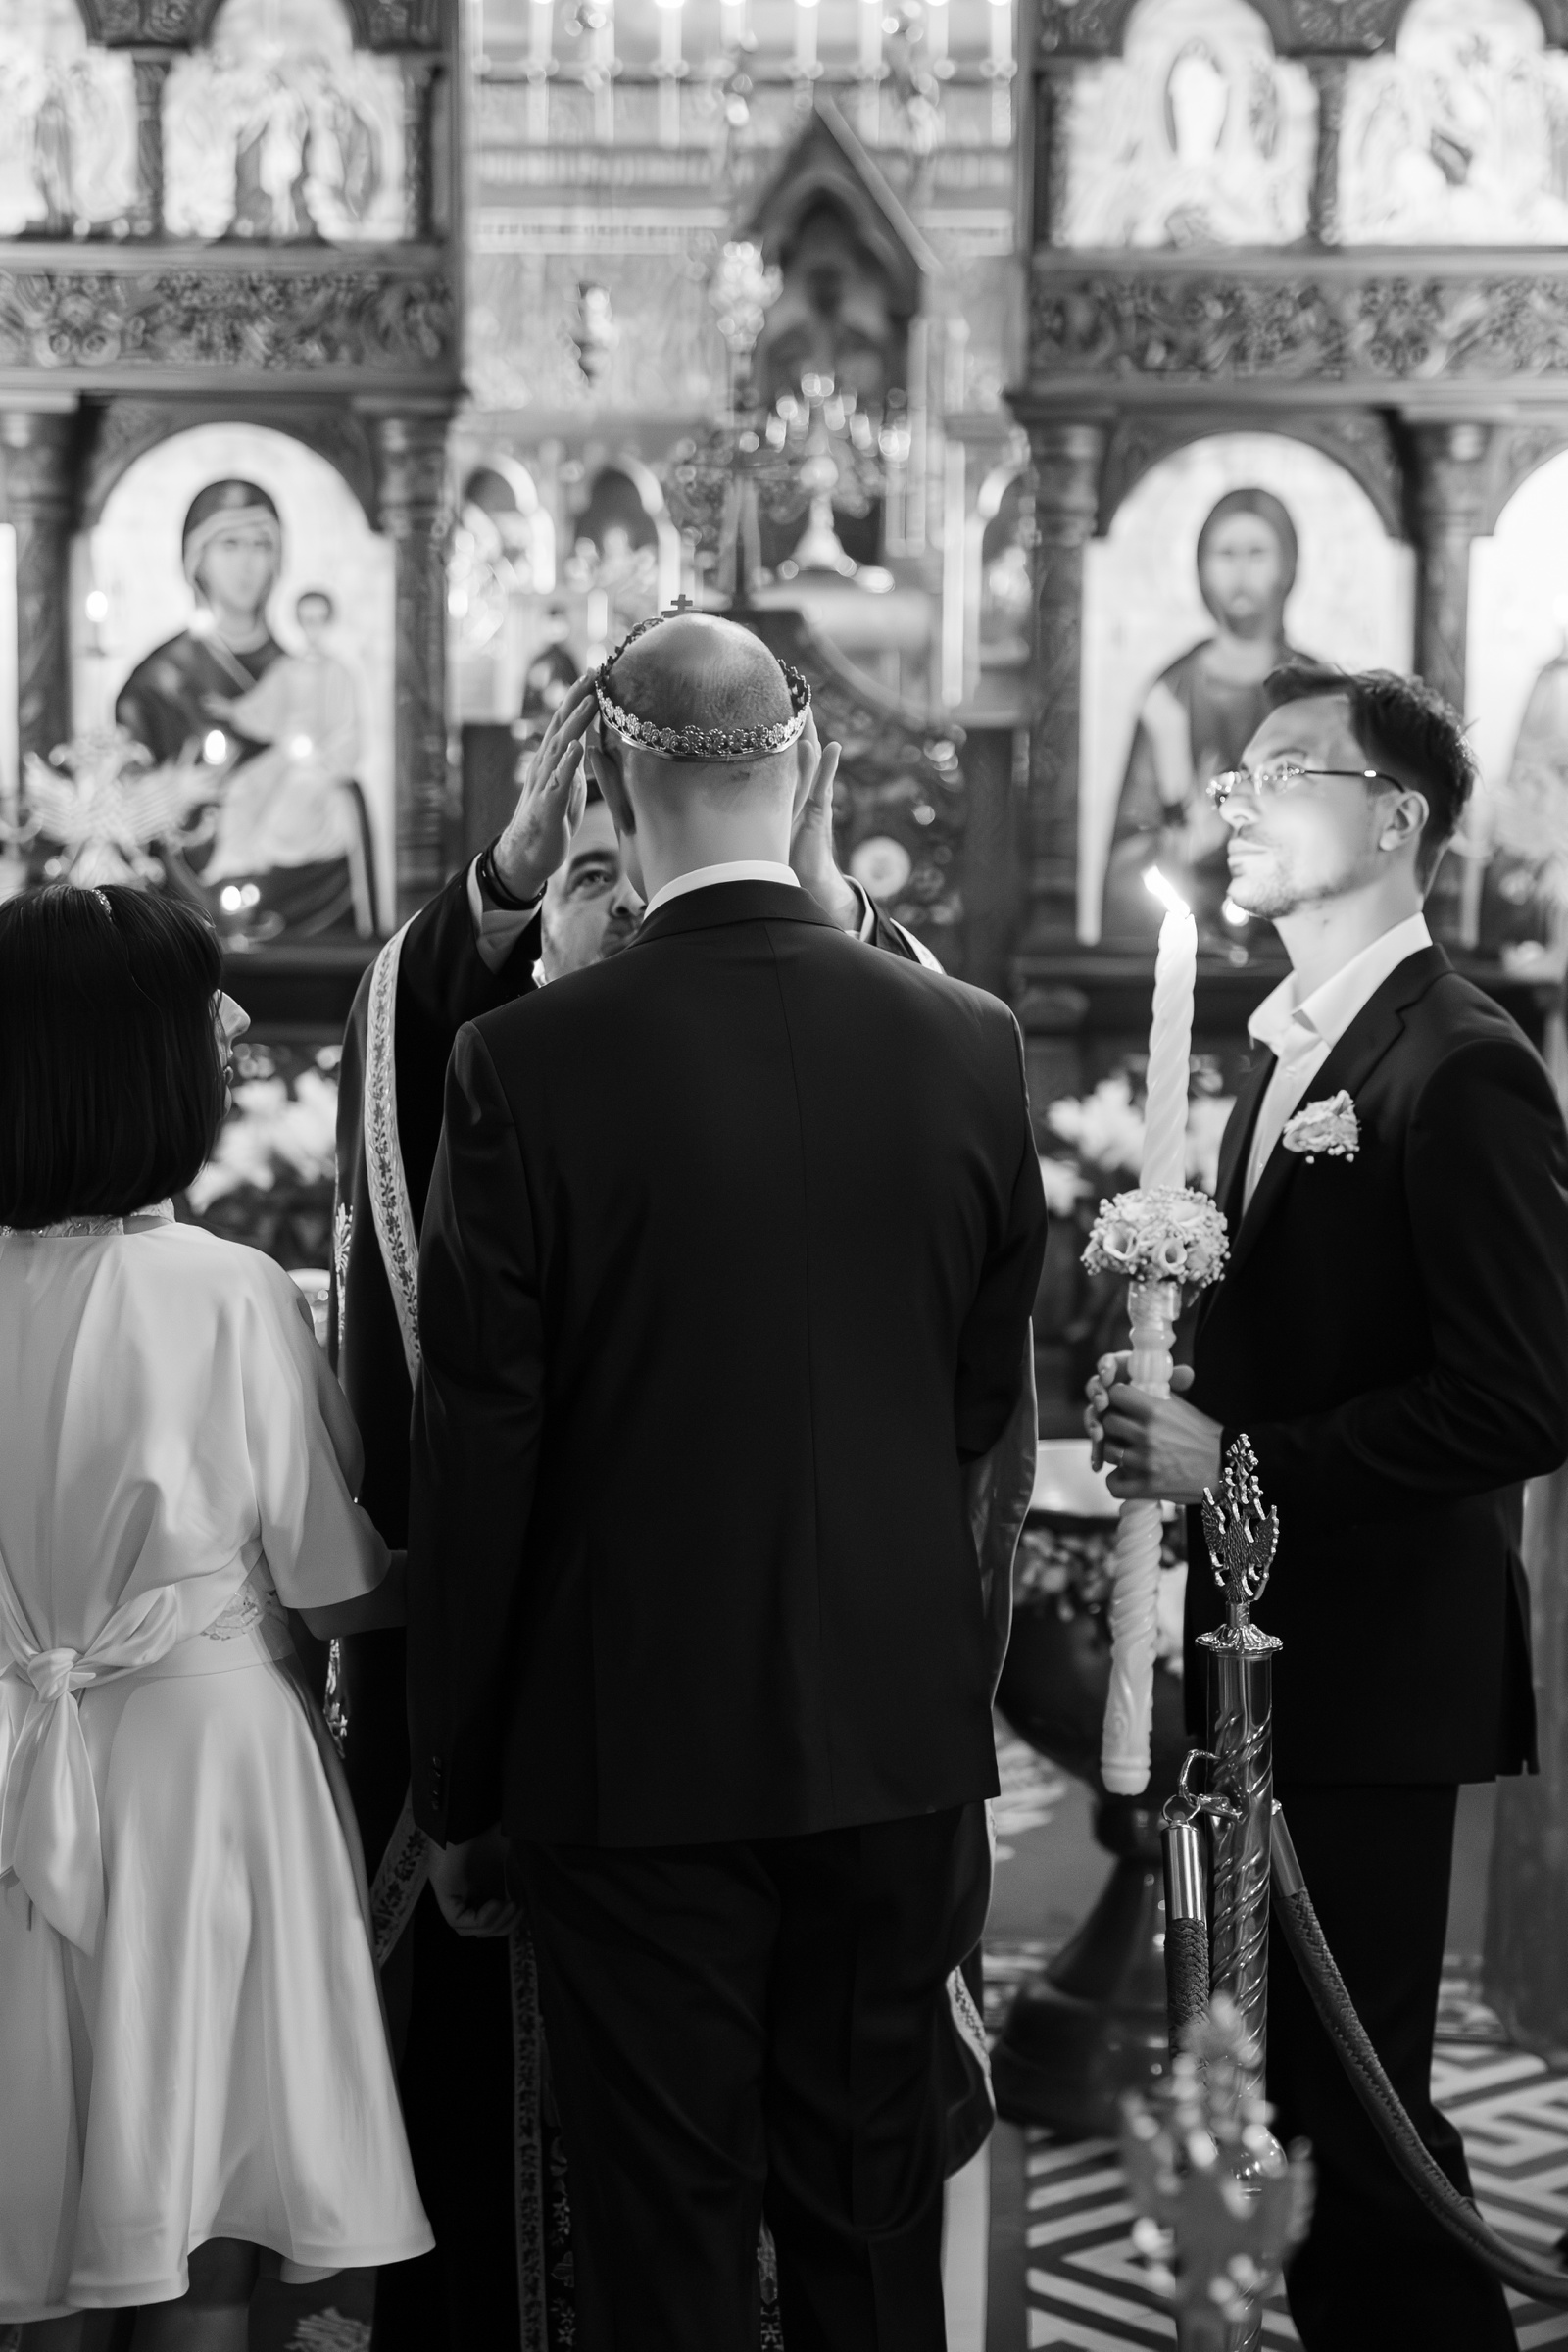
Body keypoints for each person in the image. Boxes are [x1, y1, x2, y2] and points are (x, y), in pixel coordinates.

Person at [406, 611, 1048, 2351]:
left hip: (631, 1765)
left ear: (604, 780)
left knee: (665, 2255)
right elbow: (980, 1405)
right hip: (896, 1757)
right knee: (867, 2242)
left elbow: (485, 1453)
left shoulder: (524, 1068)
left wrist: (459, 1787)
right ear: (811, 770)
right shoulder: (970, 1042)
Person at [1087, 661, 1568, 2351]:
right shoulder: (1286, 1049)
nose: (1235, 800)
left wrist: (1229, 1459)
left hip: (1373, 1670)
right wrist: (1169, 1398)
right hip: (1275, 1662)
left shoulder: (1460, 1064)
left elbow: (1524, 1397)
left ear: (1394, 817)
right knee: (1296, 2111)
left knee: (1363, 2141)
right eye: (1234, 778)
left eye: (1282, 772)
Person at [0, 885, 430, 2348]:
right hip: (206, 1779)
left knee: (39, 2198)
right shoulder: (227, 1295)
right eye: (204, 1011)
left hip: (16, 1769)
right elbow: (334, 1576)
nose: (230, 1032)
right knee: (213, 2216)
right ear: (135, 1065)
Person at [115, 480, 375, 943]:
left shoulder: (306, 671)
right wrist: (174, 790)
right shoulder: (158, 682)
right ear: (197, 558)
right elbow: (124, 804)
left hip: (311, 889)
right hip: (183, 914)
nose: (246, 563)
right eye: (229, 544)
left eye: (261, 545)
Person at [1101, 487, 1308, 946]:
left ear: (1286, 565)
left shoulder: (1314, 690)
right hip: (1191, 932)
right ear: (1202, 568)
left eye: (1257, 554)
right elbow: (1129, 856)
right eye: (1226, 554)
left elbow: (1337, 824)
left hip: (1290, 937)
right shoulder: (1170, 693)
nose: (1240, 572)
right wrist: (1184, 838)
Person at [204, 588, 373, 938]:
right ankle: (232, 875)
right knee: (243, 788)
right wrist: (231, 710)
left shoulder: (338, 672)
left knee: (291, 801)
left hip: (319, 763)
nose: (312, 627)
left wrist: (321, 759)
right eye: (306, 619)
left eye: (318, 620)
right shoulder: (288, 668)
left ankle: (264, 886)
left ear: (327, 623)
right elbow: (262, 707)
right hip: (286, 755)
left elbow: (348, 732)